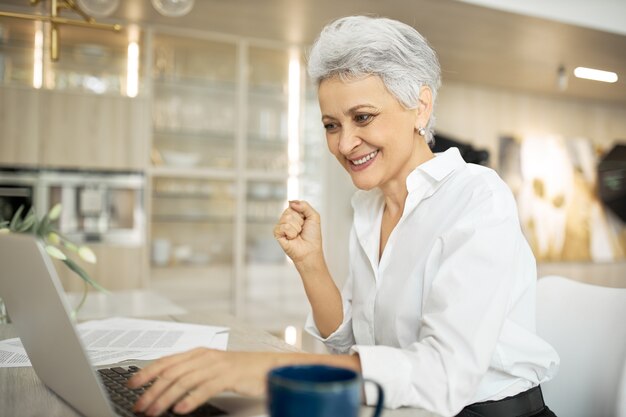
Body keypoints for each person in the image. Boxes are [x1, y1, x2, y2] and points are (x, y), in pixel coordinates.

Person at [128, 15, 560, 417]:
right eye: (332, 125)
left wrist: (269, 368)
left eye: (363, 117)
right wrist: (311, 264)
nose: (345, 143)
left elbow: (444, 376)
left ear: (421, 107)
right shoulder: (370, 207)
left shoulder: (477, 198)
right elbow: (355, 345)